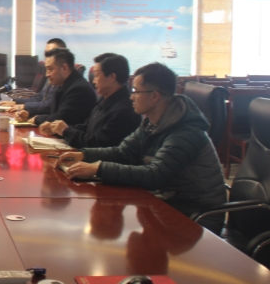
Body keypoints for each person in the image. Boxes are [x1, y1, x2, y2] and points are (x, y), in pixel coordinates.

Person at [59, 62, 226, 233]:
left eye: (136, 91)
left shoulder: (185, 132)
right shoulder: (152, 122)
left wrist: (98, 168)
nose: (131, 97)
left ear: (154, 96)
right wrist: (83, 155)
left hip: (195, 217)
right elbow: (122, 152)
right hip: (168, 203)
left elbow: (154, 175)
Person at [38, 53, 141, 147]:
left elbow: (97, 143)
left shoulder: (124, 111)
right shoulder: (105, 99)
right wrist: (57, 128)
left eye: (96, 75)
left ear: (112, 77)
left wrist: (66, 131)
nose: (94, 81)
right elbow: (87, 127)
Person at [19, 47, 96, 126]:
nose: (47, 75)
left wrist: (36, 119)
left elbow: (60, 119)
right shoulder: (63, 84)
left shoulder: (79, 89)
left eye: (50, 69)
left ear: (64, 68)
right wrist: (29, 114)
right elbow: (50, 108)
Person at [1, 38, 66, 116]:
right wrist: (15, 102)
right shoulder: (50, 74)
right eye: (46, 54)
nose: (47, 57)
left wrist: (24, 106)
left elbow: (49, 105)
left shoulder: (61, 78)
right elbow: (39, 98)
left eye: (51, 53)